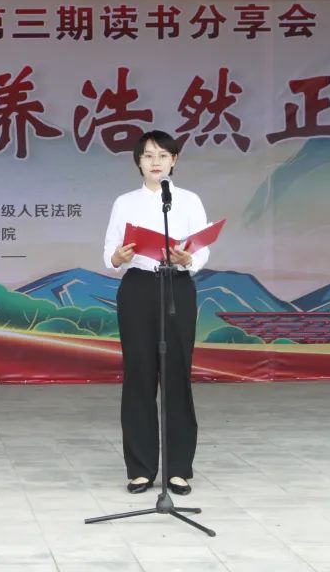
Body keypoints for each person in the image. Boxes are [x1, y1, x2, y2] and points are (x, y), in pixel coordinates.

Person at [102, 130, 209, 496]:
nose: (155, 162)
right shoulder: (125, 202)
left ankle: (178, 469)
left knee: (177, 374)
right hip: (138, 288)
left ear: (174, 160)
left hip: (176, 286)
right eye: (148, 156)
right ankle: (141, 469)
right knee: (139, 374)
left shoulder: (189, 200)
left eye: (163, 155)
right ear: (138, 162)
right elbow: (110, 251)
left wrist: (188, 258)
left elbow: (202, 249)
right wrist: (119, 256)